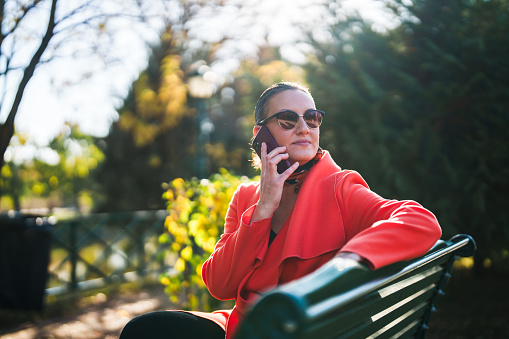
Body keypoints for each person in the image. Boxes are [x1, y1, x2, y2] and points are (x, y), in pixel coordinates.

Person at [119, 82, 442, 339]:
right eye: (289, 120)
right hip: (243, 327)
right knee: (146, 329)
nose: (304, 127)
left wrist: (348, 262)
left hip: (305, 331)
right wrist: (263, 210)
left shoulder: (341, 188)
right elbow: (219, 285)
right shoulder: (246, 196)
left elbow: (420, 221)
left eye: (312, 117)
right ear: (262, 135)